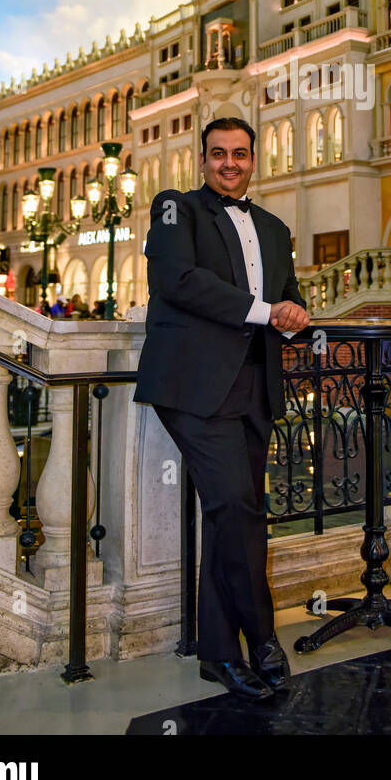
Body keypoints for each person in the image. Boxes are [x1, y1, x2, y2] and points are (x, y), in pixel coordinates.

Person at [134, 116, 310, 702]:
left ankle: (217, 653)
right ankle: (261, 639)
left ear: (255, 159)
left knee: (232, 514)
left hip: (256, 389)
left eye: (239, 154)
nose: (229, 163)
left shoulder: (276, 227)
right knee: (237, 506)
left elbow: (292, 299)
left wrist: (294, 318)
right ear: (201, 159)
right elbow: (175, 281)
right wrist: (266, 312)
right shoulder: (174, 207)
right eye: (218, 154)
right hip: (193, 388)